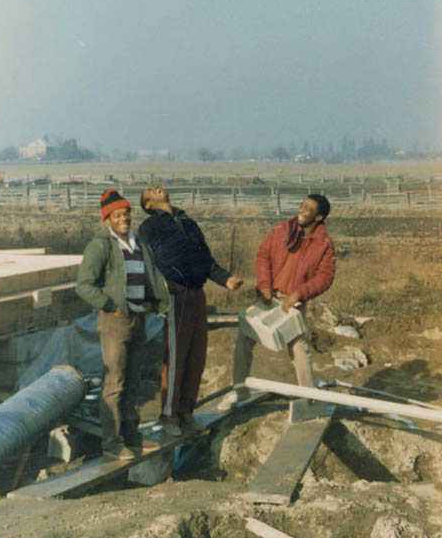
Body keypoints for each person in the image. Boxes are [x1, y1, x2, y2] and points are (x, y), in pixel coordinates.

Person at [139, 186, 243, 436]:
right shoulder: (150, 226)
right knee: (176, 356)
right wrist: (156, 292)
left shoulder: (187, 221)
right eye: (150, 191)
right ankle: (169, 415)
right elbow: (144, 260)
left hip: (197, 293)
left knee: (197, 356)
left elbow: (205, 258)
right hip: (176, 293)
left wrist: (225, 278)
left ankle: (187, 412)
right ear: (149, 205)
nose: (156, 187)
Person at [76, 189, 170, 460]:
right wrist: (110, 306)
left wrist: (155, 302)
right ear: (107, 219)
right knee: (114, 382)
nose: (123, 219)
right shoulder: (101, 245)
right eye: (117, 215)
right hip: (115, 320)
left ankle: (132, 437)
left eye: (126, 213)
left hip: (139, 317)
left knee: (132, 380)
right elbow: (84, 285)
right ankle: (112, 443)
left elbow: (150, 274)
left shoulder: (136, 242)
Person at [222, 194, 335, 408]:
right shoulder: (281, 230)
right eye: (302, 205)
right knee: (244, 338)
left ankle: (309, 398)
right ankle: (239, 390)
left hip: (293, 301)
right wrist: (264, 285)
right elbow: (263, 256)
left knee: (298, 346)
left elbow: (325, 277)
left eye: (309, 209)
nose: (302, 210)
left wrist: (299, 294)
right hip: (268, 296)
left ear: (319, 217)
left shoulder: (324, 245)